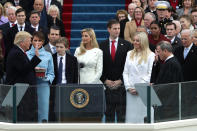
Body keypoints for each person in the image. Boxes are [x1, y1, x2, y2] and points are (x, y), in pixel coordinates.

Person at [99, 19, 133, 123]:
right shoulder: (101, 45)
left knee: (121, 115)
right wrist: (105, 80)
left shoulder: (127, 45)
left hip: (121, 86)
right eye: (114, 28)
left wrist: (121, 80)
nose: (117, 31)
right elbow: (99, 66)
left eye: (118, 28)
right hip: (107, 86)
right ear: (108, 29)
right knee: (108, 115)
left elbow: (129, 66)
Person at [5, 31, 41, 122]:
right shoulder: (16, 53)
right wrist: (36, 58)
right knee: (21, 116)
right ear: (22, 42)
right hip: (19, 90)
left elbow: (23, 68)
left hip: (22, 90)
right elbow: (24, 70)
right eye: (29, 40)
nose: (30, 43)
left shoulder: (18, 52)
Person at [123, 32, 155, 123]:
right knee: (131, 117)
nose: (135, 42)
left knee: (144, 115)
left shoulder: (151, 55)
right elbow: (125, 72)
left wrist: (139, 87)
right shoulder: (129, 53)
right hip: (131, 91)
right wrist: (128, 87)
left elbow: (150, 74)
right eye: (134, 40)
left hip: (144, 90)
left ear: (143, 42)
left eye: (138, 41)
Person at [27, 31, 54, 123]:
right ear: (31, 41)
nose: (37, 43)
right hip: (29, 84)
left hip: (43, 84)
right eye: (35, 40)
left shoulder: (48, 55)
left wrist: (45, 78)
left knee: (43, 109)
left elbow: (51, 73)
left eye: (40, 41)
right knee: (30, 108)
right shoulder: (26, 54)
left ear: (43, 42)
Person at [50, 37, 78, 121]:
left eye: (61, 47)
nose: (58, 49)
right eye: (57, 47)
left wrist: (74, 89)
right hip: (55, 87)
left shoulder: (73, 59)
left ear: (66, 48)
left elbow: (75, 77)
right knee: (54, 110)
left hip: (68, 88)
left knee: (67, 111)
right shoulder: (51, 58)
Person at [174, 29, 197, 118]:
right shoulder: (177, 50)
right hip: (180, 86)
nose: (183, 41)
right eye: (182, 39)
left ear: (192, 38)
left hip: (193, 87)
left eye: (185, 39)